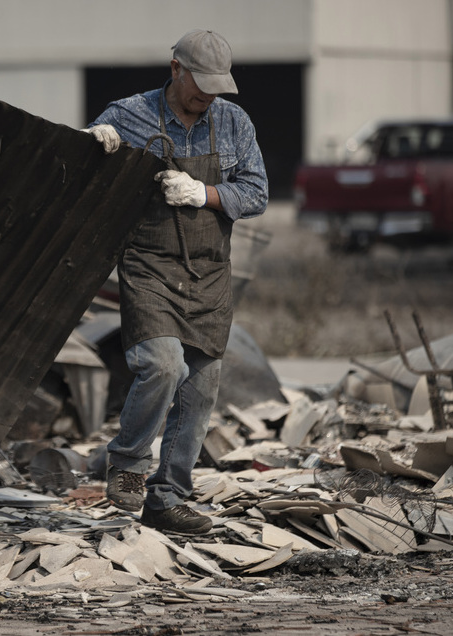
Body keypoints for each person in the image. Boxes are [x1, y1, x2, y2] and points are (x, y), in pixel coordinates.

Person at [84, 29, 268, 535]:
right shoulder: (130, 114)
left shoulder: (234, 123)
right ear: (175, 70)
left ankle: (167, 499)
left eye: (216, 86)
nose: (208, 95)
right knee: (163, 365)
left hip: (208, 273)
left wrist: (204, 193)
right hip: (150, 267)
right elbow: (83, 158)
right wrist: (94, 143)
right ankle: (127, 464)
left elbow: (257, 192)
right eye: (200, 84)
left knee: (200, 391)